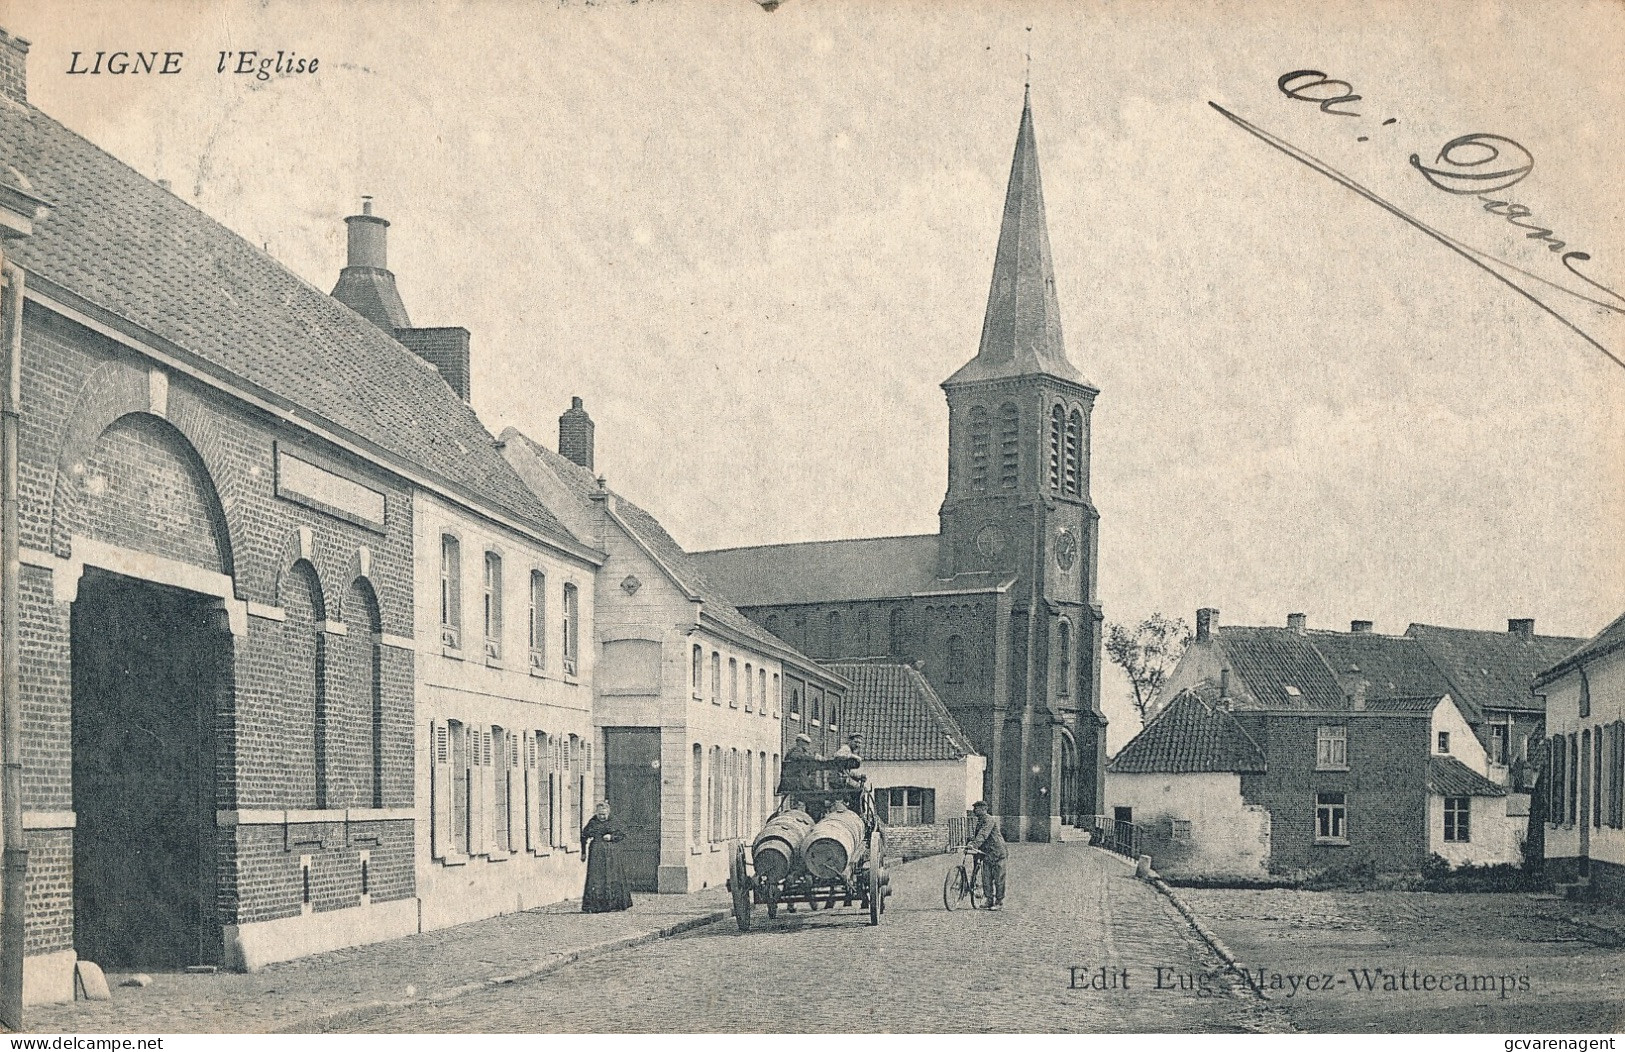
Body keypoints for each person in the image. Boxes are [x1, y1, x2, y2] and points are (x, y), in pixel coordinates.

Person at [580, 801, 633, 913]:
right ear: (596, 813)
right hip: (596, 854)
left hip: (612, 855)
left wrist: (612, 837)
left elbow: (623, 834)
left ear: (608, 813)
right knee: (596, 878)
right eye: (600, 814)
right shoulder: (593, 822)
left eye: (604, 814)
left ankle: (614, 905)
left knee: (612, 876)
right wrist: (583, 853)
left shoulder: (614, 821)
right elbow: (584, 836)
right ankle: (595, 906)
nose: (602, 817)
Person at [965, 800, 1007, 910]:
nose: (974, 811)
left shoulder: (989, 820)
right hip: (987, 853)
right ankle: (989, 900)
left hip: (997, 852)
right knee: (986, 878)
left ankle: (999, 902)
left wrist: (974, 844)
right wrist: (970, 842)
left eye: (977, 809)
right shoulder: (980, 821)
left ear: (984, 809)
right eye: (974, 808)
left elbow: (983, 834)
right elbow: (978, 835)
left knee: (998, 878)